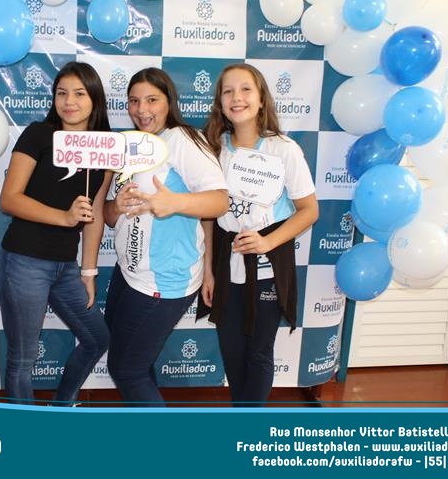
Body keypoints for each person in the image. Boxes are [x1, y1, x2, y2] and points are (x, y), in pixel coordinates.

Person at [103, 67, 228, 406]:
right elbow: (110, 217)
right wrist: (115, 206)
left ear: (169, 102)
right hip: (129, 272)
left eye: (152, 100)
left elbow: (219, 201)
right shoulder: (131, 145)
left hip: (164, 280)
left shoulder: (183, 139)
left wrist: (175, 203)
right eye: (133, 101)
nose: (141, 109)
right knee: (135, 364)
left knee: (126, 370)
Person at [201, 63, 319, 407]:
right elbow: (207, 215)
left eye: (245, 89)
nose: (236, 98)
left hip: (268, 264)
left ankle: (248, 424)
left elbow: (309, 210)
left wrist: (267, 242)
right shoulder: (213, 148)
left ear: (262, 98)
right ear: (220, 102)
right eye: (228, 91)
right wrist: (208, 271)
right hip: (225, 264)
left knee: (258, 352)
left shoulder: (284, 149)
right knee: (231, 350)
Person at [0, 61, 112, 405]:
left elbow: (95, 215)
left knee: (97, 338)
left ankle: (62, 405)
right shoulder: (39, 134)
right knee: (23, 358)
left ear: (95, 99)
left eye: (79, 93)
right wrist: (63, 217)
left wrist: (88, 272)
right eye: (62, 93)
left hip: (66, 267)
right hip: (24, 262)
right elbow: (10, 199)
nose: (69, 101)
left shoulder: (105, 148)